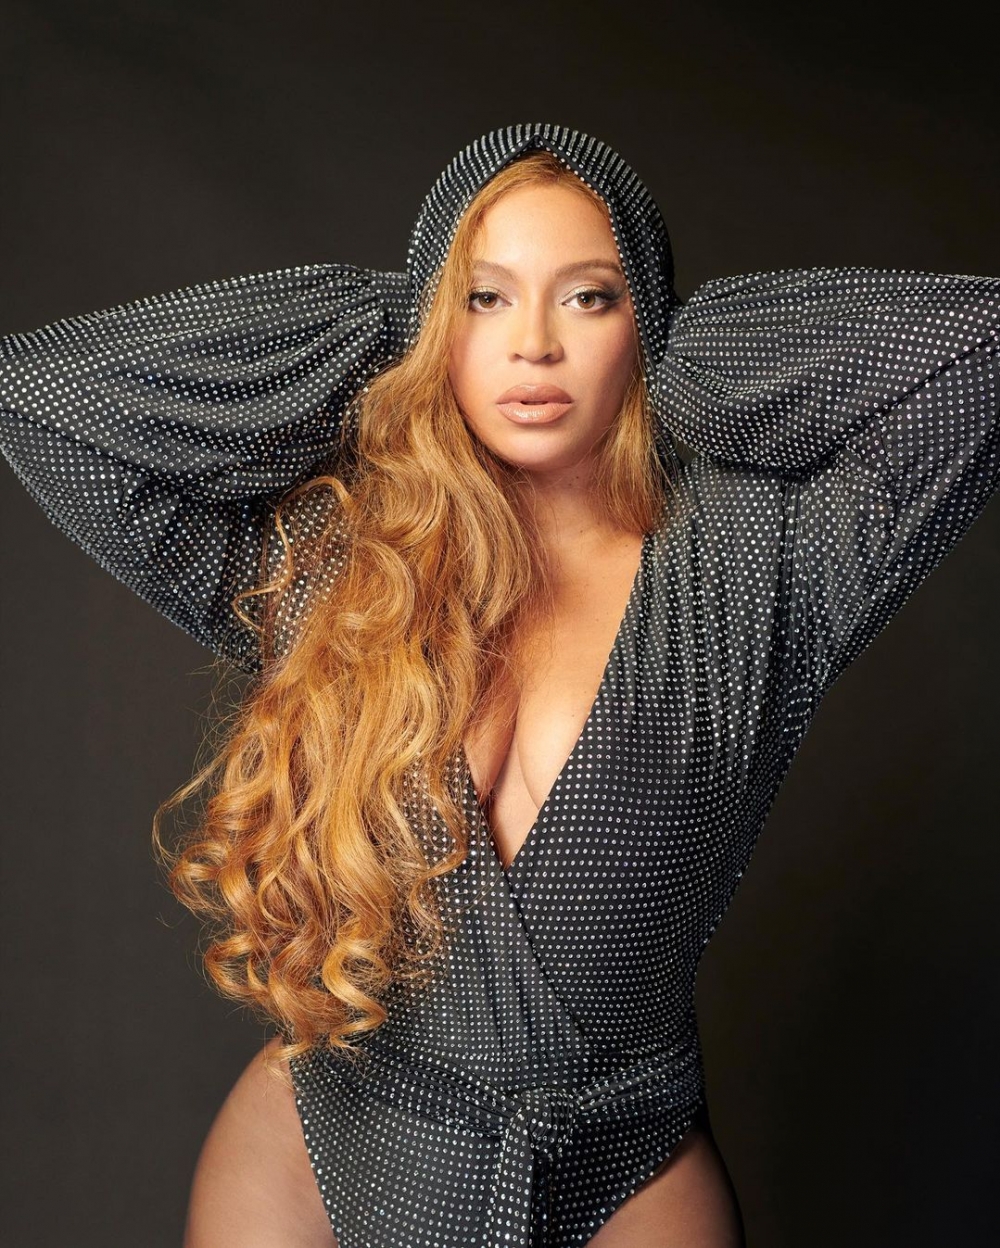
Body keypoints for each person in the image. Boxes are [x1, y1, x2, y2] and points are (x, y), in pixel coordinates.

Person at [0, 122, 997, 1248]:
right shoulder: (345, 570)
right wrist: (387, 329)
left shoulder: (758, 569)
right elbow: (42, 404)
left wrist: (691, 346)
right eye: (485, 299)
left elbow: (976, 356)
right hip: (318, 1150)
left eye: (589, 298)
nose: (533, 345)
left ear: (643, 322)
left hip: (621, 1164)